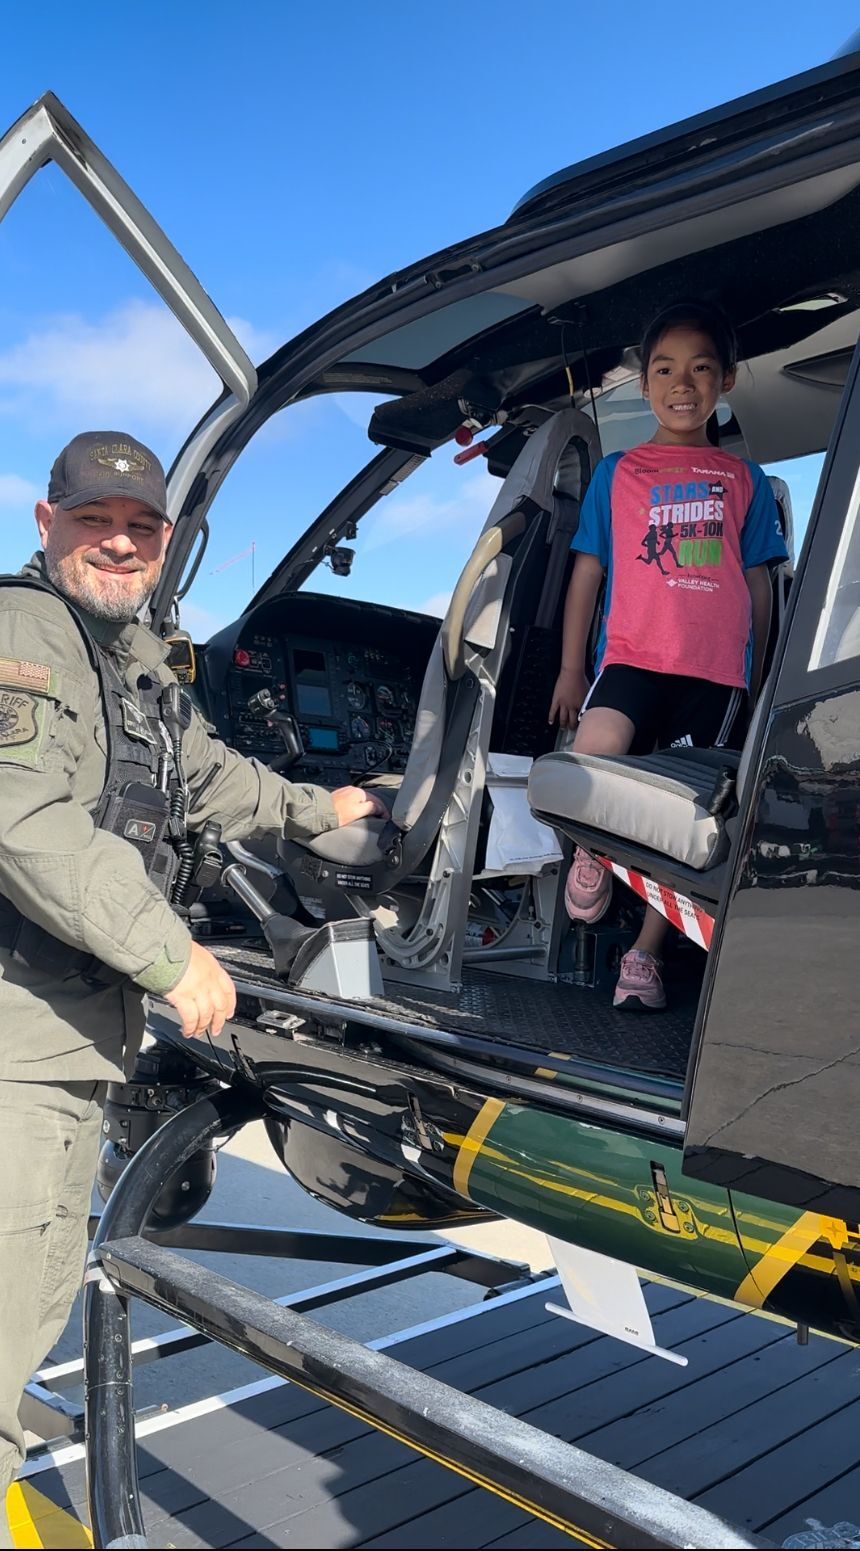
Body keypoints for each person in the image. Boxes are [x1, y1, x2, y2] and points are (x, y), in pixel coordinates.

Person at [0, 431, 385, 1545]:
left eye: (140, 529)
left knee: (35, 1253)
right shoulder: (25, 635)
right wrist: (173, 956)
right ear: (46, 523)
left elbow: (205, 776)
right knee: (16, 1263)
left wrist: (327, 809)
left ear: (164, 542)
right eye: (93, 522)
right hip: (25, 1021)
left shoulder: (128, 655)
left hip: (74, 1016)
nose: (117, 543)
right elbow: (25, 822)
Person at [548, 301, 788, 1011]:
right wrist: (570, 667)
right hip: (631, 655)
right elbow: (587, 573)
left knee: (682, 820)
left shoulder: (743, 482)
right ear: (644, 386)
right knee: (593, 751)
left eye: (701, 368)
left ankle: (645, 955)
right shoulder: (618, 473)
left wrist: (764, 678)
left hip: (715, 675)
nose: (683, 383)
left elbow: (758, 589)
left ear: (728, 381)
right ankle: (591, 849)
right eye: (665, 369)